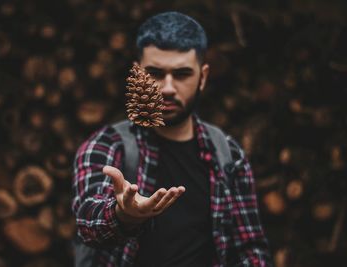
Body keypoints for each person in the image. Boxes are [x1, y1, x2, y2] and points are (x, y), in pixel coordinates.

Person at [72, 11, 273, 267]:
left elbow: (249, 247)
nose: (167, 87)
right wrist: (123, 214)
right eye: (155, 72)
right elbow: (88, 222)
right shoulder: (106, 145)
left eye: (182, 74)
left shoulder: (229, 154)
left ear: (203, 77)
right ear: (138, 74)